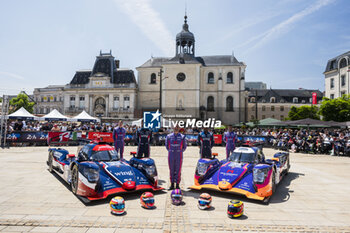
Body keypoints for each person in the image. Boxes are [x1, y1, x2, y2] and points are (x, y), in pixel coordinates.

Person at [165, 125, 187, 190]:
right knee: (171, 169)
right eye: (175, 127)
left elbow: (184, 147)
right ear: (173, 128)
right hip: (171, 154)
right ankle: (172, 184)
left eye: (177, 127)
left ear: (179, 128)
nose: (176, 128)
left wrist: (179, 151)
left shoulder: (182, 137)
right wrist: (171, 151)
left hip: (179, 155)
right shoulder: (169, 136)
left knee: (178, 169)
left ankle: (177, 185)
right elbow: (166, 146)